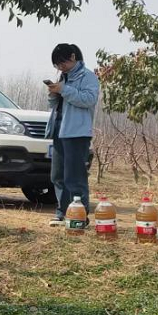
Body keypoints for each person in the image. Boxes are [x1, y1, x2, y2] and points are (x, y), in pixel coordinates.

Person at [45, 43, 99, 227]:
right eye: (57, 65)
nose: (61, 67)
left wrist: (64, 90)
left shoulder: (88, 77)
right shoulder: (63, 77)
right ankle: (62, 213)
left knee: (74, 176)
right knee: (57, 175)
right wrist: (53, 93)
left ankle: (80, 216)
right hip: (59, 129)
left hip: (77, 132)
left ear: (73, 57)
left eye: (63, 63)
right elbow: (55, 105)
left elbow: (89, 99)